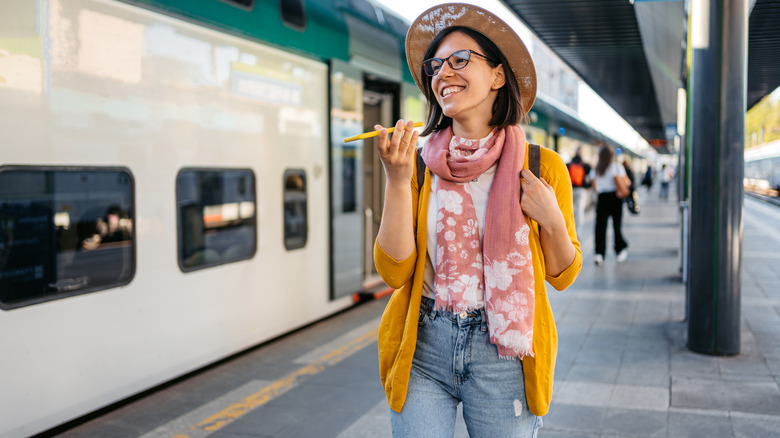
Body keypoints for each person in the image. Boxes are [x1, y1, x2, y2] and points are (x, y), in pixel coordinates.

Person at [372, 4, 582, 437]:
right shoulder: (417, 166)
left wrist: (553, 221)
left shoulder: (543, 167)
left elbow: (562, 275)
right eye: (435, 65)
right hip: (424, 346)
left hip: (504, 353)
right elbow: (394, 271)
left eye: (460, 59)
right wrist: (396, 181)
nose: (442, 72)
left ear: (499, 76)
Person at [590, 146, 629, 265]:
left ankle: (599, 254)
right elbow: (626, 182)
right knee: (616, 225)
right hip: (615, 198)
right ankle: (620, 250)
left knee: (600, 227)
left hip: (602, 198)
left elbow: (595, 187)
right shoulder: (617, 167)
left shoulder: (596, 169)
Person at [567, 146, 592, 238]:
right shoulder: (585, 166)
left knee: (570, 210)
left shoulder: (569, 164)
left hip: (570, 189)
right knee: (580, 211)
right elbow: (589, 179)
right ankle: (578, 232)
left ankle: (569, 231)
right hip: (581, 191)